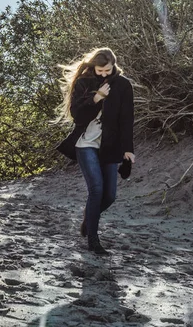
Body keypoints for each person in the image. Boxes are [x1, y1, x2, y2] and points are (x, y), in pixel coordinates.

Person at [55, 47, 135, 255]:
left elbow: (127, 119)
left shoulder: (123, 86)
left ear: (113, 66)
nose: (103, 74)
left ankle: (89, 217)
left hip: (109, 146)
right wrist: (96, 98)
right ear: (93, 67)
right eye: (99, 71)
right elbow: (77, 116)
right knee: (96, 189)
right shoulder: (83, 82)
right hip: (85, 144)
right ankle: (93, 240)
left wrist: (128, 149)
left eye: (107, 70)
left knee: (110, 196)